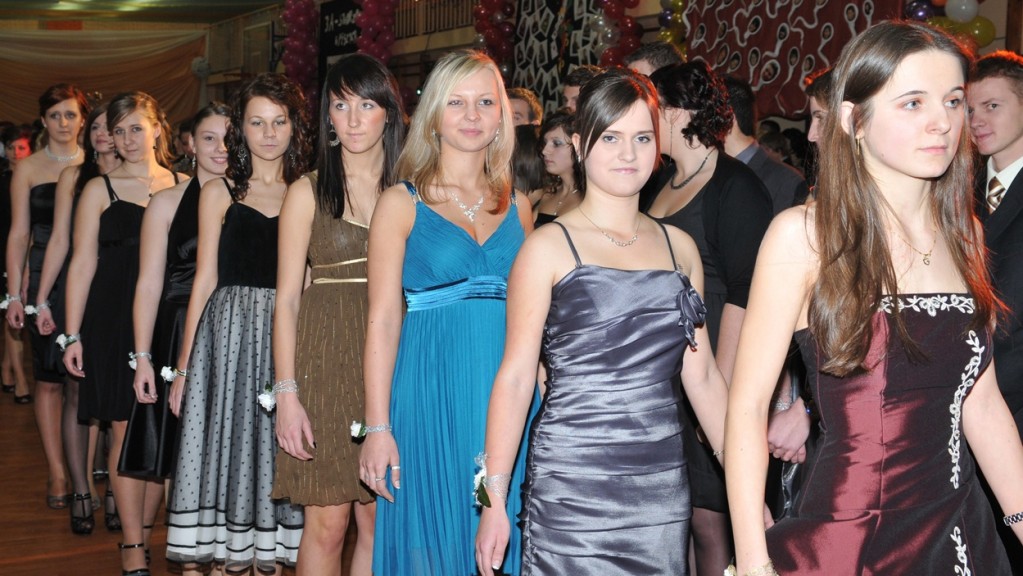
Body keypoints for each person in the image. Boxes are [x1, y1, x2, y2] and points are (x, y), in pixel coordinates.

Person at [726, 21, 1023, 575]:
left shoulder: (966, 235)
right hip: (850, 535)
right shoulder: (804, 236)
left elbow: (981, 404)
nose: (942, 122)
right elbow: (746, 408)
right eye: (913, 103)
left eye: (952, 101)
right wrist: (752, 558)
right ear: (853, 119)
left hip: (960, 532)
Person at [475, 66, 729, 575]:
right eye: (610, 137)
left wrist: (746, 489)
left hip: (660, 490)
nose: (628, 153)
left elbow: (703, 378)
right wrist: (491, 500)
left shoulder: (680, 249)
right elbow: (517, 377)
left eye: (642, 137)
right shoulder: (546, 247)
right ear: (579, 144)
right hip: (571, 485)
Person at [359, 49, 534, 575]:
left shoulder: (520, 206)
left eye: (485, 102)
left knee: (505, 528)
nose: (472, 115)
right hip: (429, 390)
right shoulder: (400, 202)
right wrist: (377, 426)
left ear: (501, 115)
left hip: (507, 392)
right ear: (434, 114)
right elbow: (382, 320)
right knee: (433, 534)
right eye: (456, 102)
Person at [165, 73, 309, 575]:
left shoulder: (307, 191)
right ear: (240, 130)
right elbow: (204, 279)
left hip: (286, 336)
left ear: (294, 127)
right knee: (224, 451)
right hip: (227, 339)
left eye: (279, 122)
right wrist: (184, 368)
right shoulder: (219, 190)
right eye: (257, 123)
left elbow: (308, 279)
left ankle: (264, 552)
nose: (269, 134)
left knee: (273, 451)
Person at [271, 53, 405, 576]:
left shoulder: (412, 190)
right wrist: (287, 394)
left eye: (366, 105)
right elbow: (286, 299)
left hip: (395, 358)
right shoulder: (306, 191)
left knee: (378, 521)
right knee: (327, 524)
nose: (352, 120)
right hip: (325, 360)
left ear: (388, 113)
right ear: (327, 114)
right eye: (340, 105)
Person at [646, 60, 774, 576]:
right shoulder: (660, 181)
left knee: (711, 517)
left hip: (714, 354)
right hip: (663, 369)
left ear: (678, 112)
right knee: (676, 513)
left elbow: (747, 293)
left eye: (651, 111)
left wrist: (718, 385)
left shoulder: (735, 186)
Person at [63, 91, 180, 575]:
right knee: (122, 427)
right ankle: (132, 546)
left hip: (169, 319)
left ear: (157, 129)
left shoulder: (185, 185)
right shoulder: (99, 188)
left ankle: (145, 533)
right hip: (111, 318)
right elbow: (81, 263)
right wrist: (71, 335)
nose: (128, 139)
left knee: (162, 434)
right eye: (119, 130)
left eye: (137, 128)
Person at [124, 103, 231, 487]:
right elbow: (149, 283)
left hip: (238, 329)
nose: (221, 148)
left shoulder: (256, 199)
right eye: (209, 138)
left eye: (228, 138)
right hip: (179, 329)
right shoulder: (166, 202)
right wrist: (143, 357)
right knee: (181, 451)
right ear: (191, 144)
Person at [36, 101, 122, 535]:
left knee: (118, 393)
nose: (102, 134)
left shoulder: (142, 176)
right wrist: (41, 299)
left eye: (112, 127)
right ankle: (82, 490)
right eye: (97, 128)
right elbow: (59, 241)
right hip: (79, 286)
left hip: (122, 290)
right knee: (76, 389)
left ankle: (117, 491)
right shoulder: (75, 176)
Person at [6, 83, 89, 510]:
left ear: (83, 119)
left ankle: (84, 472)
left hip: (90, 275)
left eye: (70, 114)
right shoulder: (29, 168)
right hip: (43, 277)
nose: (63, 123)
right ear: (43, 121)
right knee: (49, 378)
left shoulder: (97, 162)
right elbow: (19, 233)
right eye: (55, 115)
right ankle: (57, 470)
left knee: (83, 378)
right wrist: (14, 292)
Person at [968, 49, 1023, 572]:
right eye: (968, 108)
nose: (976, 120)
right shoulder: (954, 189)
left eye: (992, 106)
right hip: (959, 405)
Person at [722, 76, 808, 214]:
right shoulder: (706, 172)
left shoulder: (786, 182)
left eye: (702, 114)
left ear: (727, 117)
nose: (695, 125)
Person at [0, 125, 32, 404]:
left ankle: (7, 367)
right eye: (11, 147)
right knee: (11, 316)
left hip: (31, 252)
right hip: (5, 253)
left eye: (21, 147)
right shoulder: (3, 180)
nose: (16, 153)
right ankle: (20, 380)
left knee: (15, 316)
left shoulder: (34, 179)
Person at [533, 109, 581, 225]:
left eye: (556, 143)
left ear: (579, 147)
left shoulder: (592, 199)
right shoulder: (544, 194)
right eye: (545, 143)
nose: (545, 151)